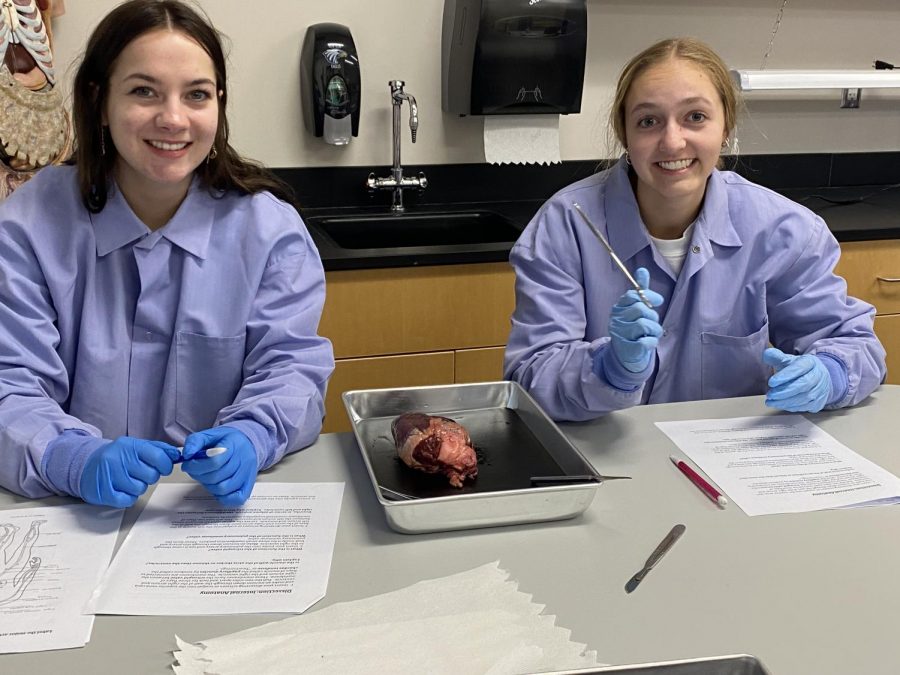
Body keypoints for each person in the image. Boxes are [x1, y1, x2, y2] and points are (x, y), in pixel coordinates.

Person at [0, 0, 334, 507]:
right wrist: (71, 458)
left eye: (196, 95)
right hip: (65, 512)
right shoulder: (30, 225)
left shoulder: (269, 233)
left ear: (218, 104)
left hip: (211, 514)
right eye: (143, 91)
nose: (173, 118)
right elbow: (10, 384)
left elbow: (290, 370)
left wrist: (254, 434)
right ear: (99, 101)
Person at [504, 37, 886, 422]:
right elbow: (529, 376)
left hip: (731, 464)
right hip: (602, 461)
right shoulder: (566, 225)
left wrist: (830, 373)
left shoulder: (780, 229)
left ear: (726, 127)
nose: (672, 141)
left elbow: (854, 344)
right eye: (648, 121)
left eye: (695, 117)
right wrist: (608, 368)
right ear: (624, 133)